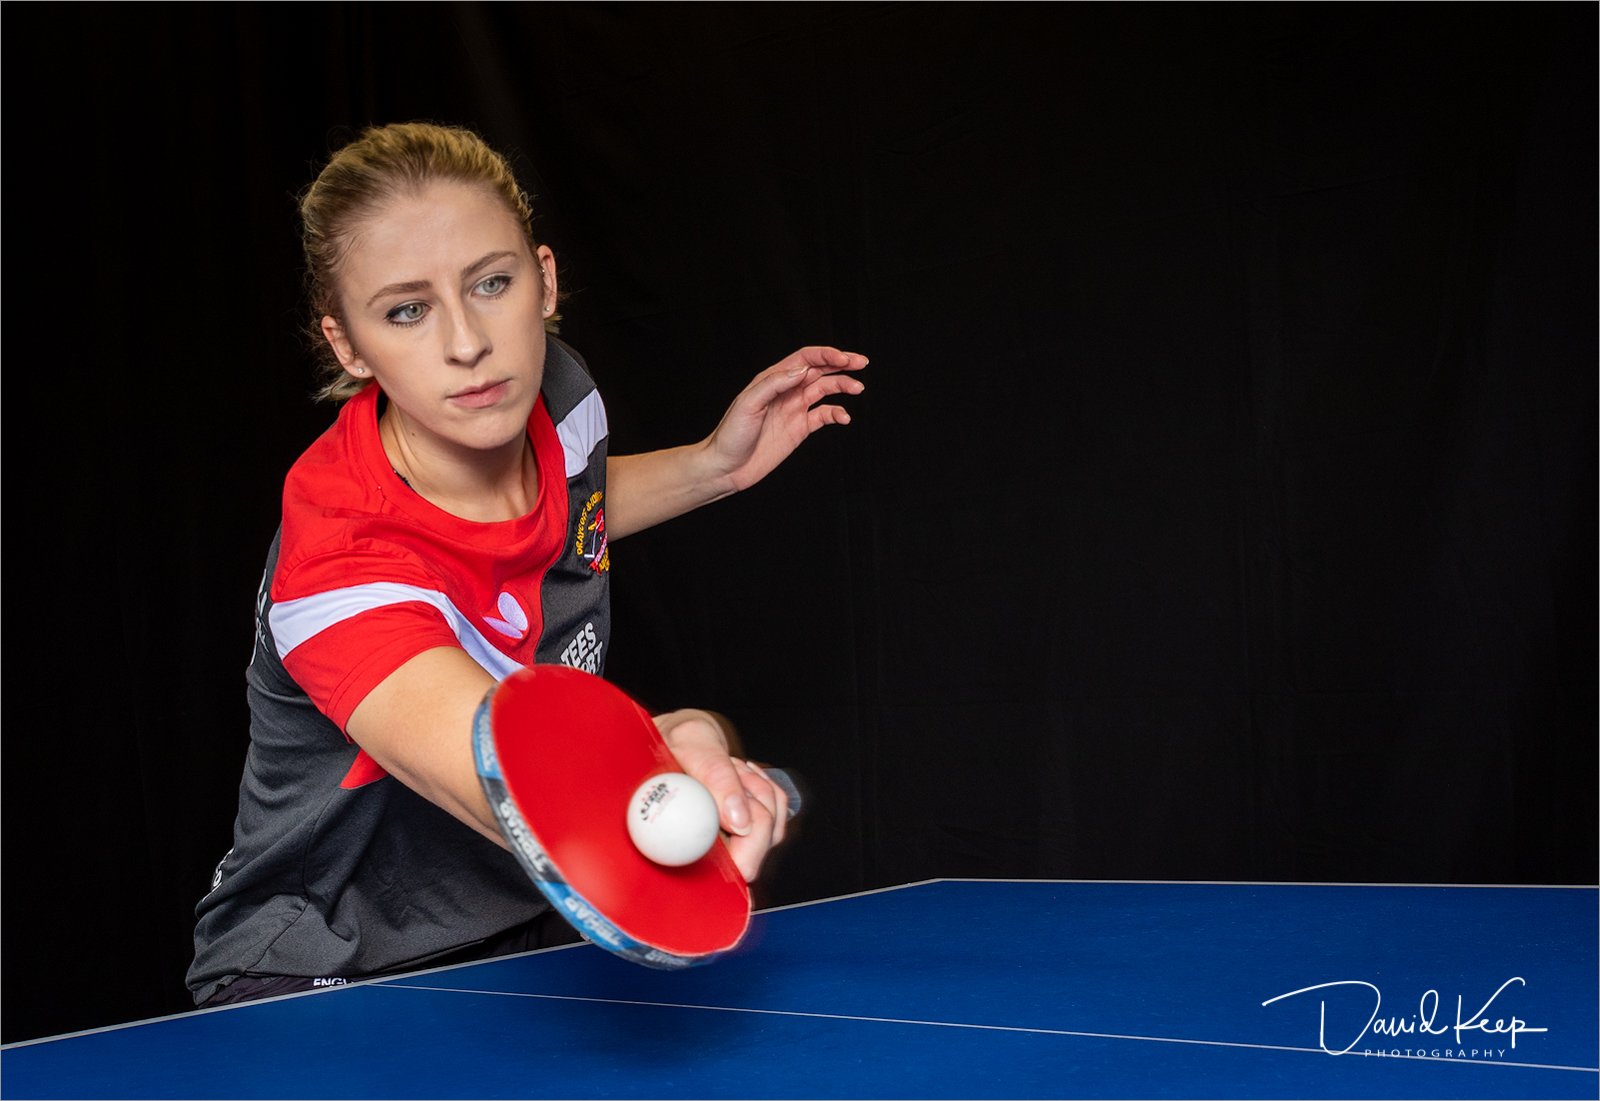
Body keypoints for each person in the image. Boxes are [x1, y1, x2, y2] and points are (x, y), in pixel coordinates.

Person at [187, 122, 866, 1006]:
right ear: (348, 345)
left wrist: (715, 466)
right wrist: (690, 734)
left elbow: (557, 510)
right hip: (328, 961)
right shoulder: (338, 559)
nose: (467, 342)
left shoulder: (559, 394)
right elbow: (519, 779)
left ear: (543, 280)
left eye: (492, 283)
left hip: (521, 918)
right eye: (406, 310)